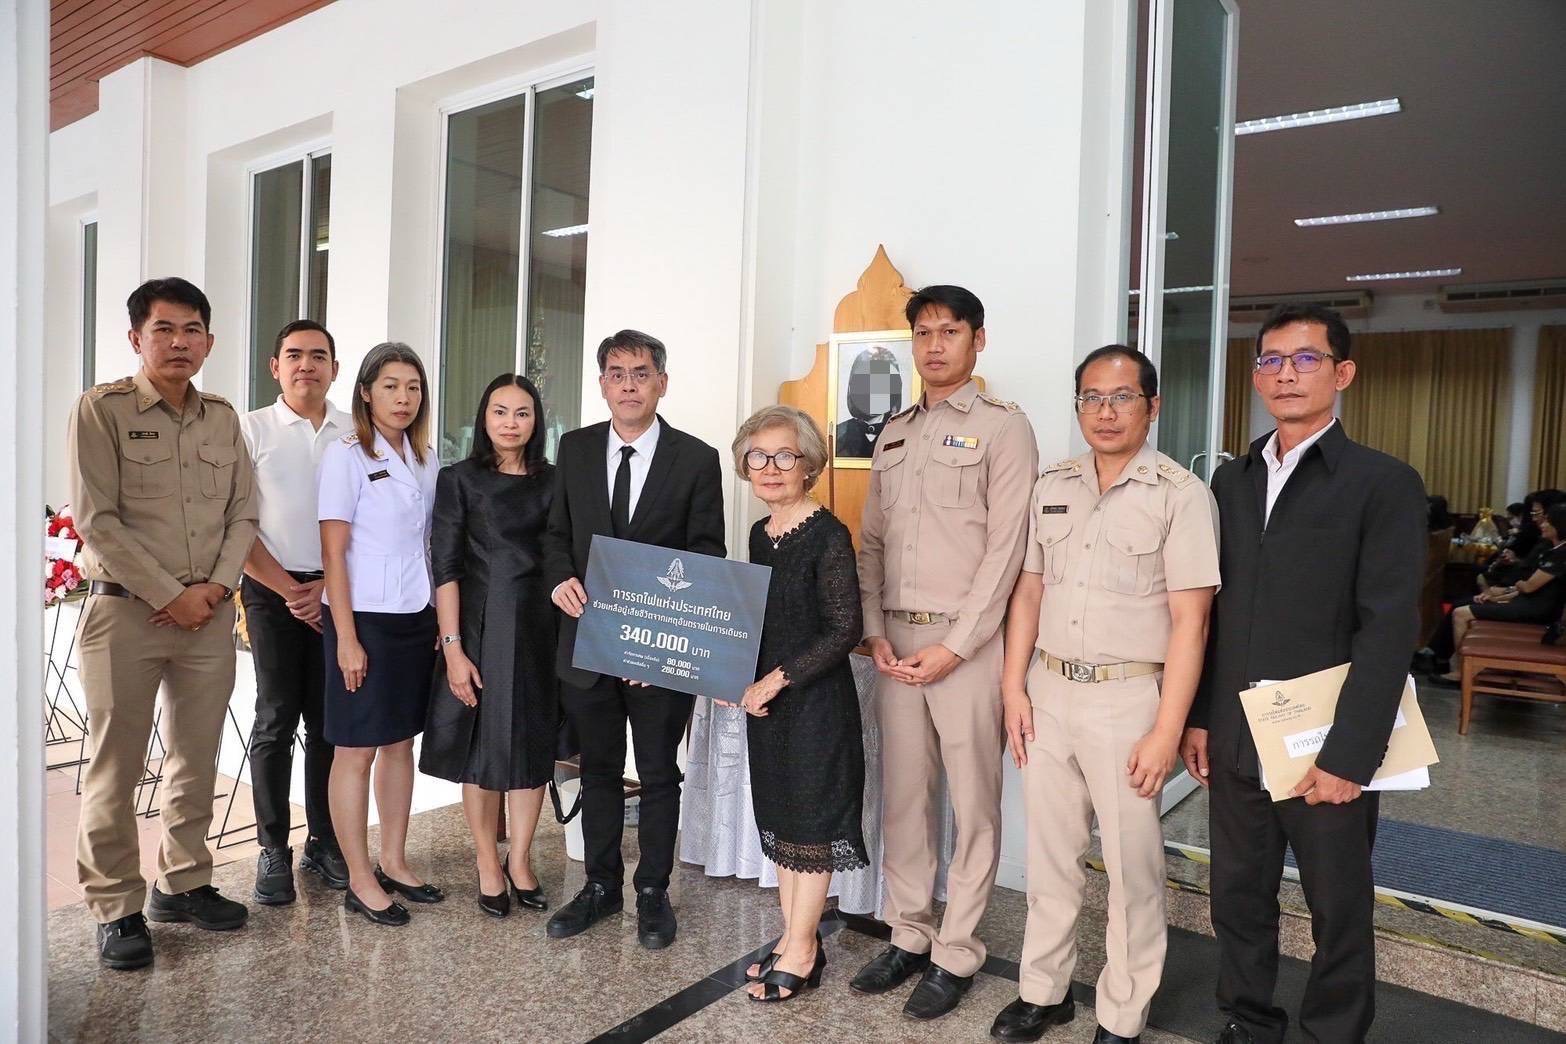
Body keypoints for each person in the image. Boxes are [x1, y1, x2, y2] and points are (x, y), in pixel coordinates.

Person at [1181, 303, 1427, 1044]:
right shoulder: (1229, 482)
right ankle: (1248, 1020)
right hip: (1236, 734)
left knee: (1337, 907)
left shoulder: (1382, 483)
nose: (1285, 374)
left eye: (1306, 359)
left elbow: (1389, 629)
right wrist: (1201, 716)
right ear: (1256, 376)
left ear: (1342, 373)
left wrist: (1352, 755)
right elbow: (1213, 612)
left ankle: (1334, 1033)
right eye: (1271, 360)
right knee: (1237, 897)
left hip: (1325, 744)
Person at [990, 347, 1219, 1044]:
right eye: (1092, 397)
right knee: (1050, 858)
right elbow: (1029, 591)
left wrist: (1166, 729)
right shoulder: (1053, 484)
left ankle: (1122, 1014)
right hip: (1047, 691)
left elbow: (1192, 622)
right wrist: (1013, 688)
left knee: (1132, 869)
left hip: (1128, 702)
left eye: (1122, 397)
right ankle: (1043, 991)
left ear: (1153, 407)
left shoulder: (1181, 494)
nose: (1106, 411)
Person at [853, 285, 1038, 1020]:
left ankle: (957, 949)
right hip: (896, 643)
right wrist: (873, 628)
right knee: (904, 798)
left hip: (970, 645)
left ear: (977, 340)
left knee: (974, 803)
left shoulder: (1003, 427)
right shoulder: (895, 432)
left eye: (950, 332)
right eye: (923, 333)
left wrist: (957, 646)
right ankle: (909, 932)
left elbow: (1007, 549)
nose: (934, 346)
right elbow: (871, 541)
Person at [68, 277, 258, 969]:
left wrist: (216, 588)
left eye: (191, 330)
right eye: (164, 329)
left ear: (209, 340)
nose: (179, 342)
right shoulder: (102, 410)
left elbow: (244, 512)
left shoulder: (222, 418)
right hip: (125, 613)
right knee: (116, 765)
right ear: (136, 338)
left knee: (197, 757)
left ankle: (183, 883)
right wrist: (169, 594)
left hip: (207, 617)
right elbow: (96, 521)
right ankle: (116, 905)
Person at [542, 329, 726, 949]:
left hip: (659, 653)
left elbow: (706, 554)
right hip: (587, 644)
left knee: (658, 774)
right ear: (602, 384)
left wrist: (660, 641)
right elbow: (555, 536)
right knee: (596, 769)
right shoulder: (574, 449)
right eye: (616, 374)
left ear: (661, 383)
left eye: (641, 373)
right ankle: (599, 887)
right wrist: (559, 578)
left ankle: (652, 892)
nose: (628, 385)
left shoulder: (695, 459)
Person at [718, 406, 868, 1003]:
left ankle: (803, 951)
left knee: (810, 825)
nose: (770, 467)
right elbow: (758, 621)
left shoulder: (829, 535)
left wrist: (776, 680)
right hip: (769, 704)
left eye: (785, 455)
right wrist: (733, 675)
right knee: (781, 821)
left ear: (809, 465)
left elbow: (844, 629)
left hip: (815, 703)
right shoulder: (761, 533)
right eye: (758, 456)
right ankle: (793, 937)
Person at [420, 374, 556, 917]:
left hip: (541, 630)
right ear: (484, 417)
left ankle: (519, 859)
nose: (510, 423)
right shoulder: (459, 480)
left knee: (531, 747)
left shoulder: (554, 480)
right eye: (500, 411)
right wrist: (453, 648)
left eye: (522, 412)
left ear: (536, 420)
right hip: (478, 627)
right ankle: (486, 862)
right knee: (480, 752)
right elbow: (446, 567)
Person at [317, 342, 443, 926]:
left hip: (415, 614)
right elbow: (333, 553)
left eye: (413, 387)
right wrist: (346, 638)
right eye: (390, 386)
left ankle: (394, 859)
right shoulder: (345, 455)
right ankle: (359, 876)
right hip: (363, 618)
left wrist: (440, 621)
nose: (403, 397)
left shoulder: (425, 457)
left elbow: (429, 542)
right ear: (366, 392)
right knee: (356, 748)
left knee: (399, 743)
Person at [238, 319, 353, 904]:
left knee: (328, 722)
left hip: (341, 591)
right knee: (276, 718)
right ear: (275, 367)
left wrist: (327, 589)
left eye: (318, 355)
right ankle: (272, 849)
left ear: (335, 367)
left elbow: (369, 521)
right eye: (294, 355)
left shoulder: (355, 431)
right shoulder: (250, 429)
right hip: (271, 589)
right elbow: (236, 524)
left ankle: (324, 842)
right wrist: (291, 590)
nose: (306, 365)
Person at [1444, 502, 1566, 677]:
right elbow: (1527, 588)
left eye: (1548, 522)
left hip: (1537, 611)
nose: (1543, 524)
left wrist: (1518, 585)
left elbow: (1529, 587)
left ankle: (1460, 672)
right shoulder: (1553, 550)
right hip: (1529, 604)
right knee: (1474, 604)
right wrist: (1499, 596)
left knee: (1460, 614)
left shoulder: (1561, 554)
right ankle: (1463, 668)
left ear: (1559, 526)